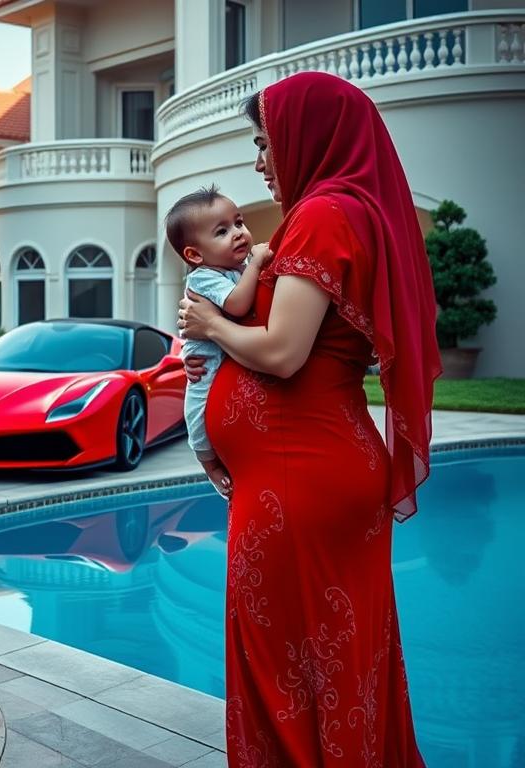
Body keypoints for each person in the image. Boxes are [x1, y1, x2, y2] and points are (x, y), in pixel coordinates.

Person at [177, 71, 440, 766]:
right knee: (329, 656)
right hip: (305, 468)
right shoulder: (343, 210)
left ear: (308, 136)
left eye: (266, 142)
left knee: (290, 663)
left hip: (302, 475)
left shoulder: (326, 214)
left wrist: (209, 322)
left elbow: (286, 353)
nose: (261, 159)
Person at [164, 185, 272, 498]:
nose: (238, 233)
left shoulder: (233, 269)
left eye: (239, 223)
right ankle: (208, 463)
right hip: (207, 364)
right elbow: (237, 305)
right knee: (196, 409)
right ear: (195, 255)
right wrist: (256, 264)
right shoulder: (204, 276)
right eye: (222, 231)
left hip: (226, 356)